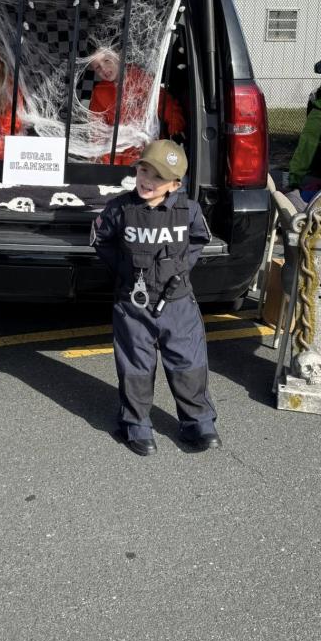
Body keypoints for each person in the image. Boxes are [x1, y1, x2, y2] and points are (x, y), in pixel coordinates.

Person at [91, 139, 220, 456]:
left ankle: (198, 422)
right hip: (133, 306)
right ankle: (136, 424)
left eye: (158, 177)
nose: (147, 180)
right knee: (136, 365)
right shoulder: (120, 209)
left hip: (178, 304)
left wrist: (179, 270)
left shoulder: (188, 210)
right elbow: (101, 239)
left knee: (188, 362)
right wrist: (123, 271)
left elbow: (200, 239)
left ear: (175, 184)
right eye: (144, 171)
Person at [88, 49, 185, 165]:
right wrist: (98, 155)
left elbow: (166, 105)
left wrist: (176, 131)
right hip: (115, 156)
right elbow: (97, 127)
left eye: (106, 60)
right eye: (97, 67)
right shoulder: (99, 92)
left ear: (118, 55)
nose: (103, 69)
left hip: (147, 152)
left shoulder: (141, 79)